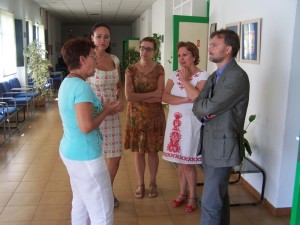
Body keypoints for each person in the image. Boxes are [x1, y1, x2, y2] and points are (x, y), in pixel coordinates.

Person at [58, 37, 121, 225]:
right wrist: (107, 111)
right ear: (82, 59)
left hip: (71, 152)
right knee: (103, 212)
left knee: (81, 203)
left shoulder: (68, 82)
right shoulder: (82, 87)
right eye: (93, 56)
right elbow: (86, 127)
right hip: (85, 157)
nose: (96, 61)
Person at [192, 29, 250, 225]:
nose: (209, 48)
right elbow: (199, 104)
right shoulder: (215, 75)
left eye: (214, 45)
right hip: (211, 145)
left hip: (223, 148)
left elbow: (209, 105)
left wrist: (205, 108)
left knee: (210, 203)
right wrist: (204, 108)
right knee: (219, 198)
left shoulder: (237, 77)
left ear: (228, 49)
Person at [162, 41, 209, 213]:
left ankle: (192, 197)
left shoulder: (203, 75)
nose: (181, 58)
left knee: (188, 163)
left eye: (185, 54)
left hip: (191, 123)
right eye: (179, 55)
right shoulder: (174, 74)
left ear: (194, 56)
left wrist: (184, 80)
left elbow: (196, 97)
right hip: (175, 122)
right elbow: (165, 97)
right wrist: (183, 100)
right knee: (179, 162)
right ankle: (182, 193)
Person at [86, 23, 125, 208]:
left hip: (112, 115)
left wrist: (122, 100)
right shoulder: (86, 59)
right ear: (92, 38)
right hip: (95, 113)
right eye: (99, 36)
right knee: (96, 158)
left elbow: (119, 85)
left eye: (107, 36)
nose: (103, 40)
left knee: (115, 156)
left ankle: (106, 192)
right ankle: (96, 195)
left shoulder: (115, 60)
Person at [124, 37, 166, 199]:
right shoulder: (130, 70)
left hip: (154, 117)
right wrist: (151, 94)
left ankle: (153, 183)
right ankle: (140, 184)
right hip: (136, 117)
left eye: (148, 49)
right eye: (142, 48)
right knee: (139, 152)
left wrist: (140, 97)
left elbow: (160, 96)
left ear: (154, 51)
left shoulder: (159, 69)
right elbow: (129, 96)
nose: (144, 51)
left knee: (153, 152)